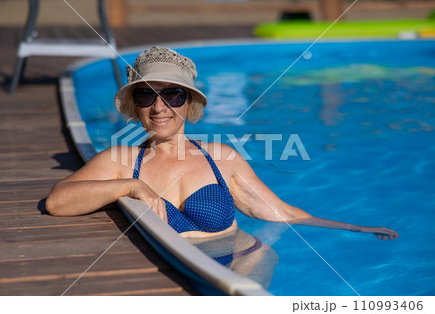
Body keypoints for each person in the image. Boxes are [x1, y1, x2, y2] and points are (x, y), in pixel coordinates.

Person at [46, 46, 399, 243]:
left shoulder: (221, 159)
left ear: (189, 102)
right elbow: (57, 202)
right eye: (146, 95)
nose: (159, 106)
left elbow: (281, 213)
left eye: (172, 94)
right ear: (133, 105)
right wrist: (135, 187)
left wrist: (356, 229)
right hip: (171, 272)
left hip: (242, 262)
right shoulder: (123, 161)